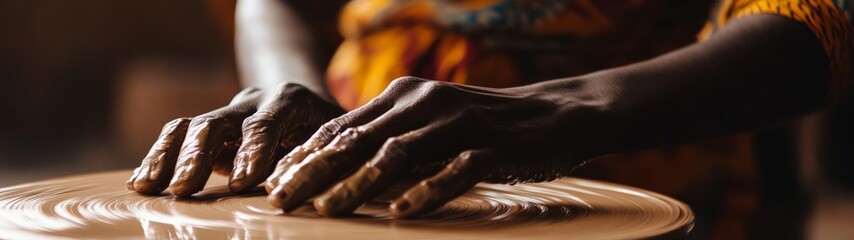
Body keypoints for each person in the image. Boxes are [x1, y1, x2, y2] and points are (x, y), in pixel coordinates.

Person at [127, 0, 851, 224]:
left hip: (649, 145)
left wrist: (558, 113)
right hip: (370, 146)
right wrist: (288, 91)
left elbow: (821, 18)